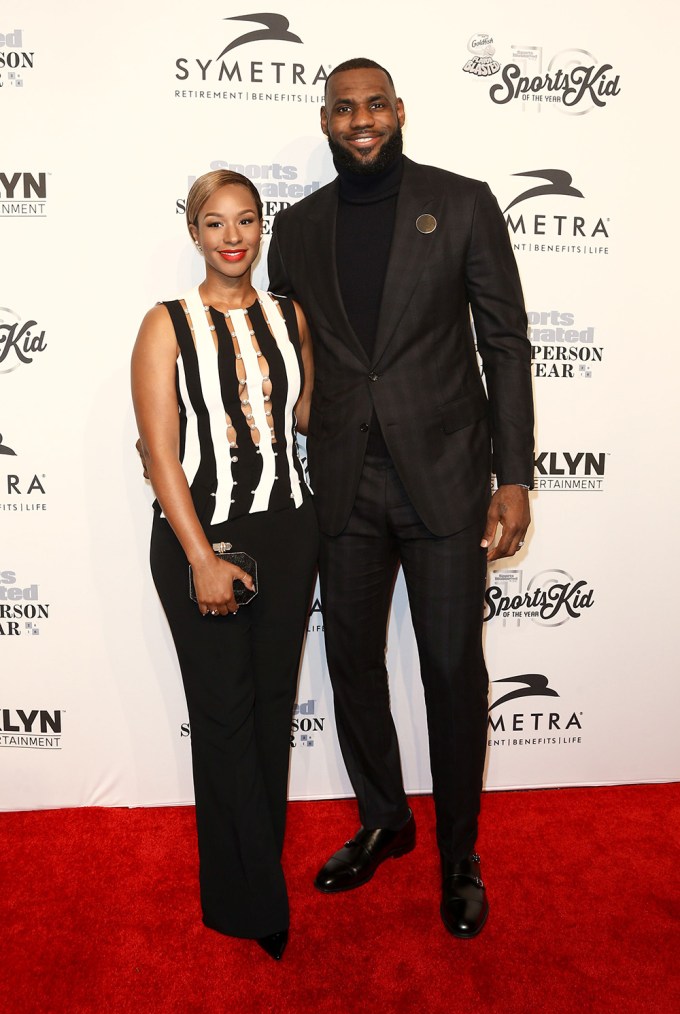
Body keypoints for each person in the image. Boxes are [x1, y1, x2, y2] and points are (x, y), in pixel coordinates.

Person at [267, 58, 534, 939]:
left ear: (400, 110)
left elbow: (505, 343)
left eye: (375, 103)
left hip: (447, 480)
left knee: (454, 672)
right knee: (351, 663)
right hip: (344, 481)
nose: (362, 119)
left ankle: (461, 853)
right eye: (344, 108)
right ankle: (385, 817)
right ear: (325, 121)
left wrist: (516, 475)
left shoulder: (461, 203)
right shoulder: (296, 228)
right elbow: (288, 354)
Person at [131, 170, 318, 961]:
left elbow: (306, 414)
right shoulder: (165, 324)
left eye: (245, 220)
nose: (232, 236)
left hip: (291, 532)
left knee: (272, 708)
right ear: (194, 232)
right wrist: (201, 556)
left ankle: (257, 874)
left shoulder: (292, 316)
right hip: (201, 535)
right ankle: (246, 902)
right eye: (215, 223)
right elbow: (160, 453)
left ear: (262, 227)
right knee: (222, 713)